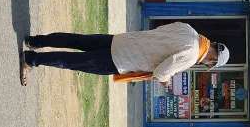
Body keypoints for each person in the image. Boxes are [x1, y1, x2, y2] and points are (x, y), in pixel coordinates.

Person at [19, 22, 229, 86]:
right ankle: (31, 59)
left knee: (77, 39)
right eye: (210, 64)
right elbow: (161, 71)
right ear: (212, 60)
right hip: (122, 60)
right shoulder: (191, 56)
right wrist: (165, 81)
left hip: (122, 40)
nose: (206, 64)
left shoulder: (189, 30)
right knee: (72, 61)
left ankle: (35, 41)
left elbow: (160, 30)